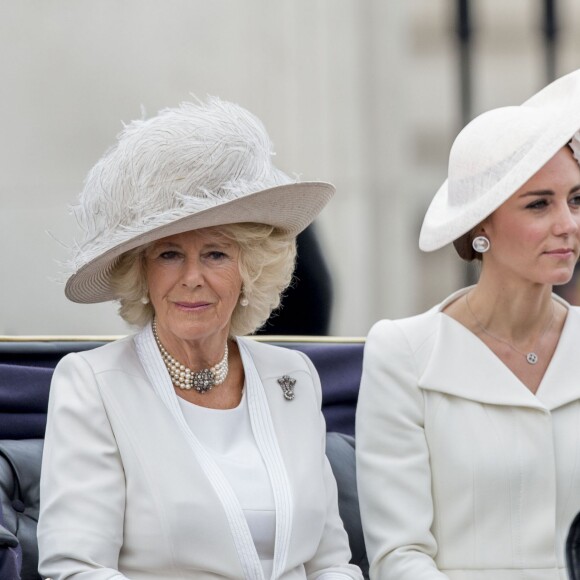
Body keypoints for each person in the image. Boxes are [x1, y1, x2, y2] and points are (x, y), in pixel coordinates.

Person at [37, 98, 363, 580]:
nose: (192, 278)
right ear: (141, 271)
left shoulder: (291, 377)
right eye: (169, 254)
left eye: (214, 254)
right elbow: (77, 568)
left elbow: (331, 561)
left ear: (249, 269)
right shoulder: (93, 385)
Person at [355, 68, 580, 580]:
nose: (568, 224)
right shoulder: (404, 354)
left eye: (576, 199)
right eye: (539, 204)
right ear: (481, 223)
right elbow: (401, 557)